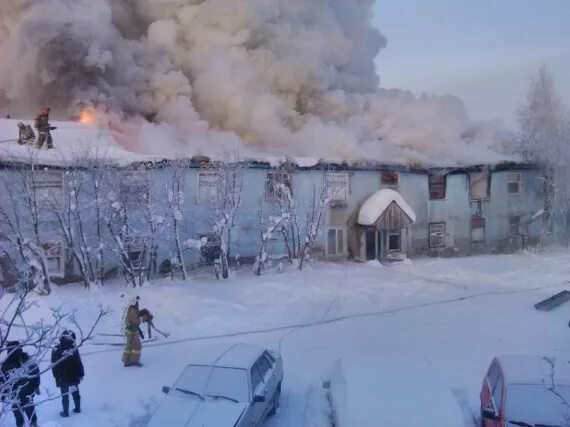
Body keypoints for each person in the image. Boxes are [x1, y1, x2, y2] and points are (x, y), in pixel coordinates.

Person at [0, 341, 40, 427]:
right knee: (30, 411)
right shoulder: (26, 358)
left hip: (15, 395)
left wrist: (3, 394)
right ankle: (34, 424)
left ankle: (25, 425)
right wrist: (36, 386)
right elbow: (36, 373)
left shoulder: (5, 364)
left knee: (19, 415)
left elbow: (2, 381)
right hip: (26, 393)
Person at [51, 330, 84, 417]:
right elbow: (78, 361)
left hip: (62, 377)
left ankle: (65, 413)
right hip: (74, 375)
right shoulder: (73, 348)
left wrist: (55, 376)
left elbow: (54, 364)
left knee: (65, 395)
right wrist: (81, 373)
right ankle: (77, 408)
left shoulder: (56, 349)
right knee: (75, 392)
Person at [122, 296, 143, 367]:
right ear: (134, 303)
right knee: (137, 346)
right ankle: (134, 361)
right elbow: (135, 322)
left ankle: (126, 361)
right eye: (137, 302)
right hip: (132, 332)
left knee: (129, 346)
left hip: (130, 331)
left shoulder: (131, 309)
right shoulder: (133, 311)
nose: (138, 304)